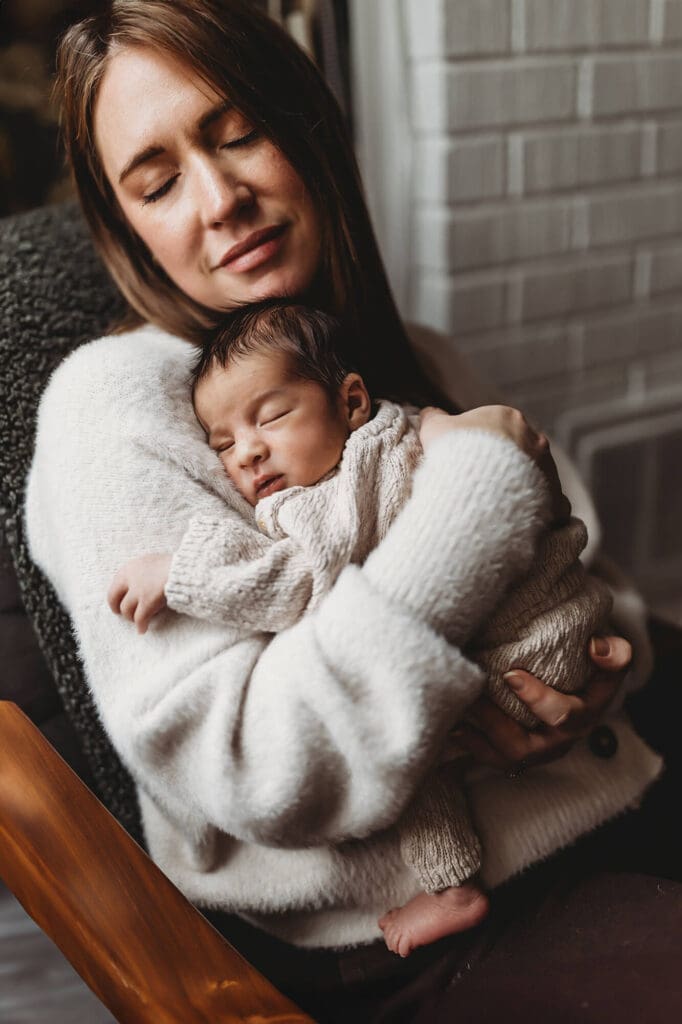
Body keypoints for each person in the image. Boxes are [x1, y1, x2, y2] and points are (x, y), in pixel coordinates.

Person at [24, 2, 682, 1021]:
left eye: (239, 131)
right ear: (129, 233)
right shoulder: (116, 404)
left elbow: (597, 587)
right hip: (428, 937)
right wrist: (480, 484)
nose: (219, 198)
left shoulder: (406, 357)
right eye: (155, 183)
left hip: (607, 788)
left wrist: (592, 679)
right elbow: (258, 760)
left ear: (309, 130)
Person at [108, 299, 616, 957]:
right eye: (224, 445)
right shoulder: (401, 429)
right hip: (564, 633)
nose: (250, 453)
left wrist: (182, 571)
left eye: (271, 417)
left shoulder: (344, 485)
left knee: (397, 741)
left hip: (528, 659)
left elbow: (297, 583)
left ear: (351, 403)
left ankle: (454, 885)